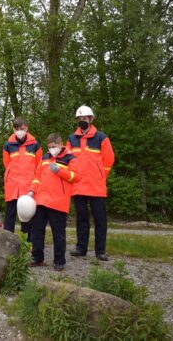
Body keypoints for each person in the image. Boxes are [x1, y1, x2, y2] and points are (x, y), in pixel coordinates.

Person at [67, 105, 115, 261]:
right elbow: (67, 159)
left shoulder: (101, 137)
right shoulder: (71, 139)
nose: (82, 121)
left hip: (96, 186)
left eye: (85, 118)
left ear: (91, 119)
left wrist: (101, 176)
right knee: (81, 219)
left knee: (100, 219)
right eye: (79, 118)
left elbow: (109, 159)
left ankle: (100, 251)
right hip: (78, 185)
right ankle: (81, 248)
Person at [28, 133, 81, 271]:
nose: (52, 149)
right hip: (40, 199)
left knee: (58, 233)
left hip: (58, 201)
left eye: (54, 146)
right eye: (49, 147)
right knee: (36, 231)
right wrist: (32, 191)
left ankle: (59, 261)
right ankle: (37, 258)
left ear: (60, 143)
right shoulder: (45, 157)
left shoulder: (70, 158)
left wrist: (60, 171)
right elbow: (37, 177)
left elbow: (77, 176)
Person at [2, 117, 41, 240]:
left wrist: (33, 186)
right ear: (13, 129)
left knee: (27, 215)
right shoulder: (8, 145)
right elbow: (6, 164)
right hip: (13, 186)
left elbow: (38, 166)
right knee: (10, 215)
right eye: (17, 128)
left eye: (22, 128)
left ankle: (27, 242)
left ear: (26, 128)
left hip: (28, 186)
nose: (19, 131)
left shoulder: (35, 145)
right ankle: (7, 240)